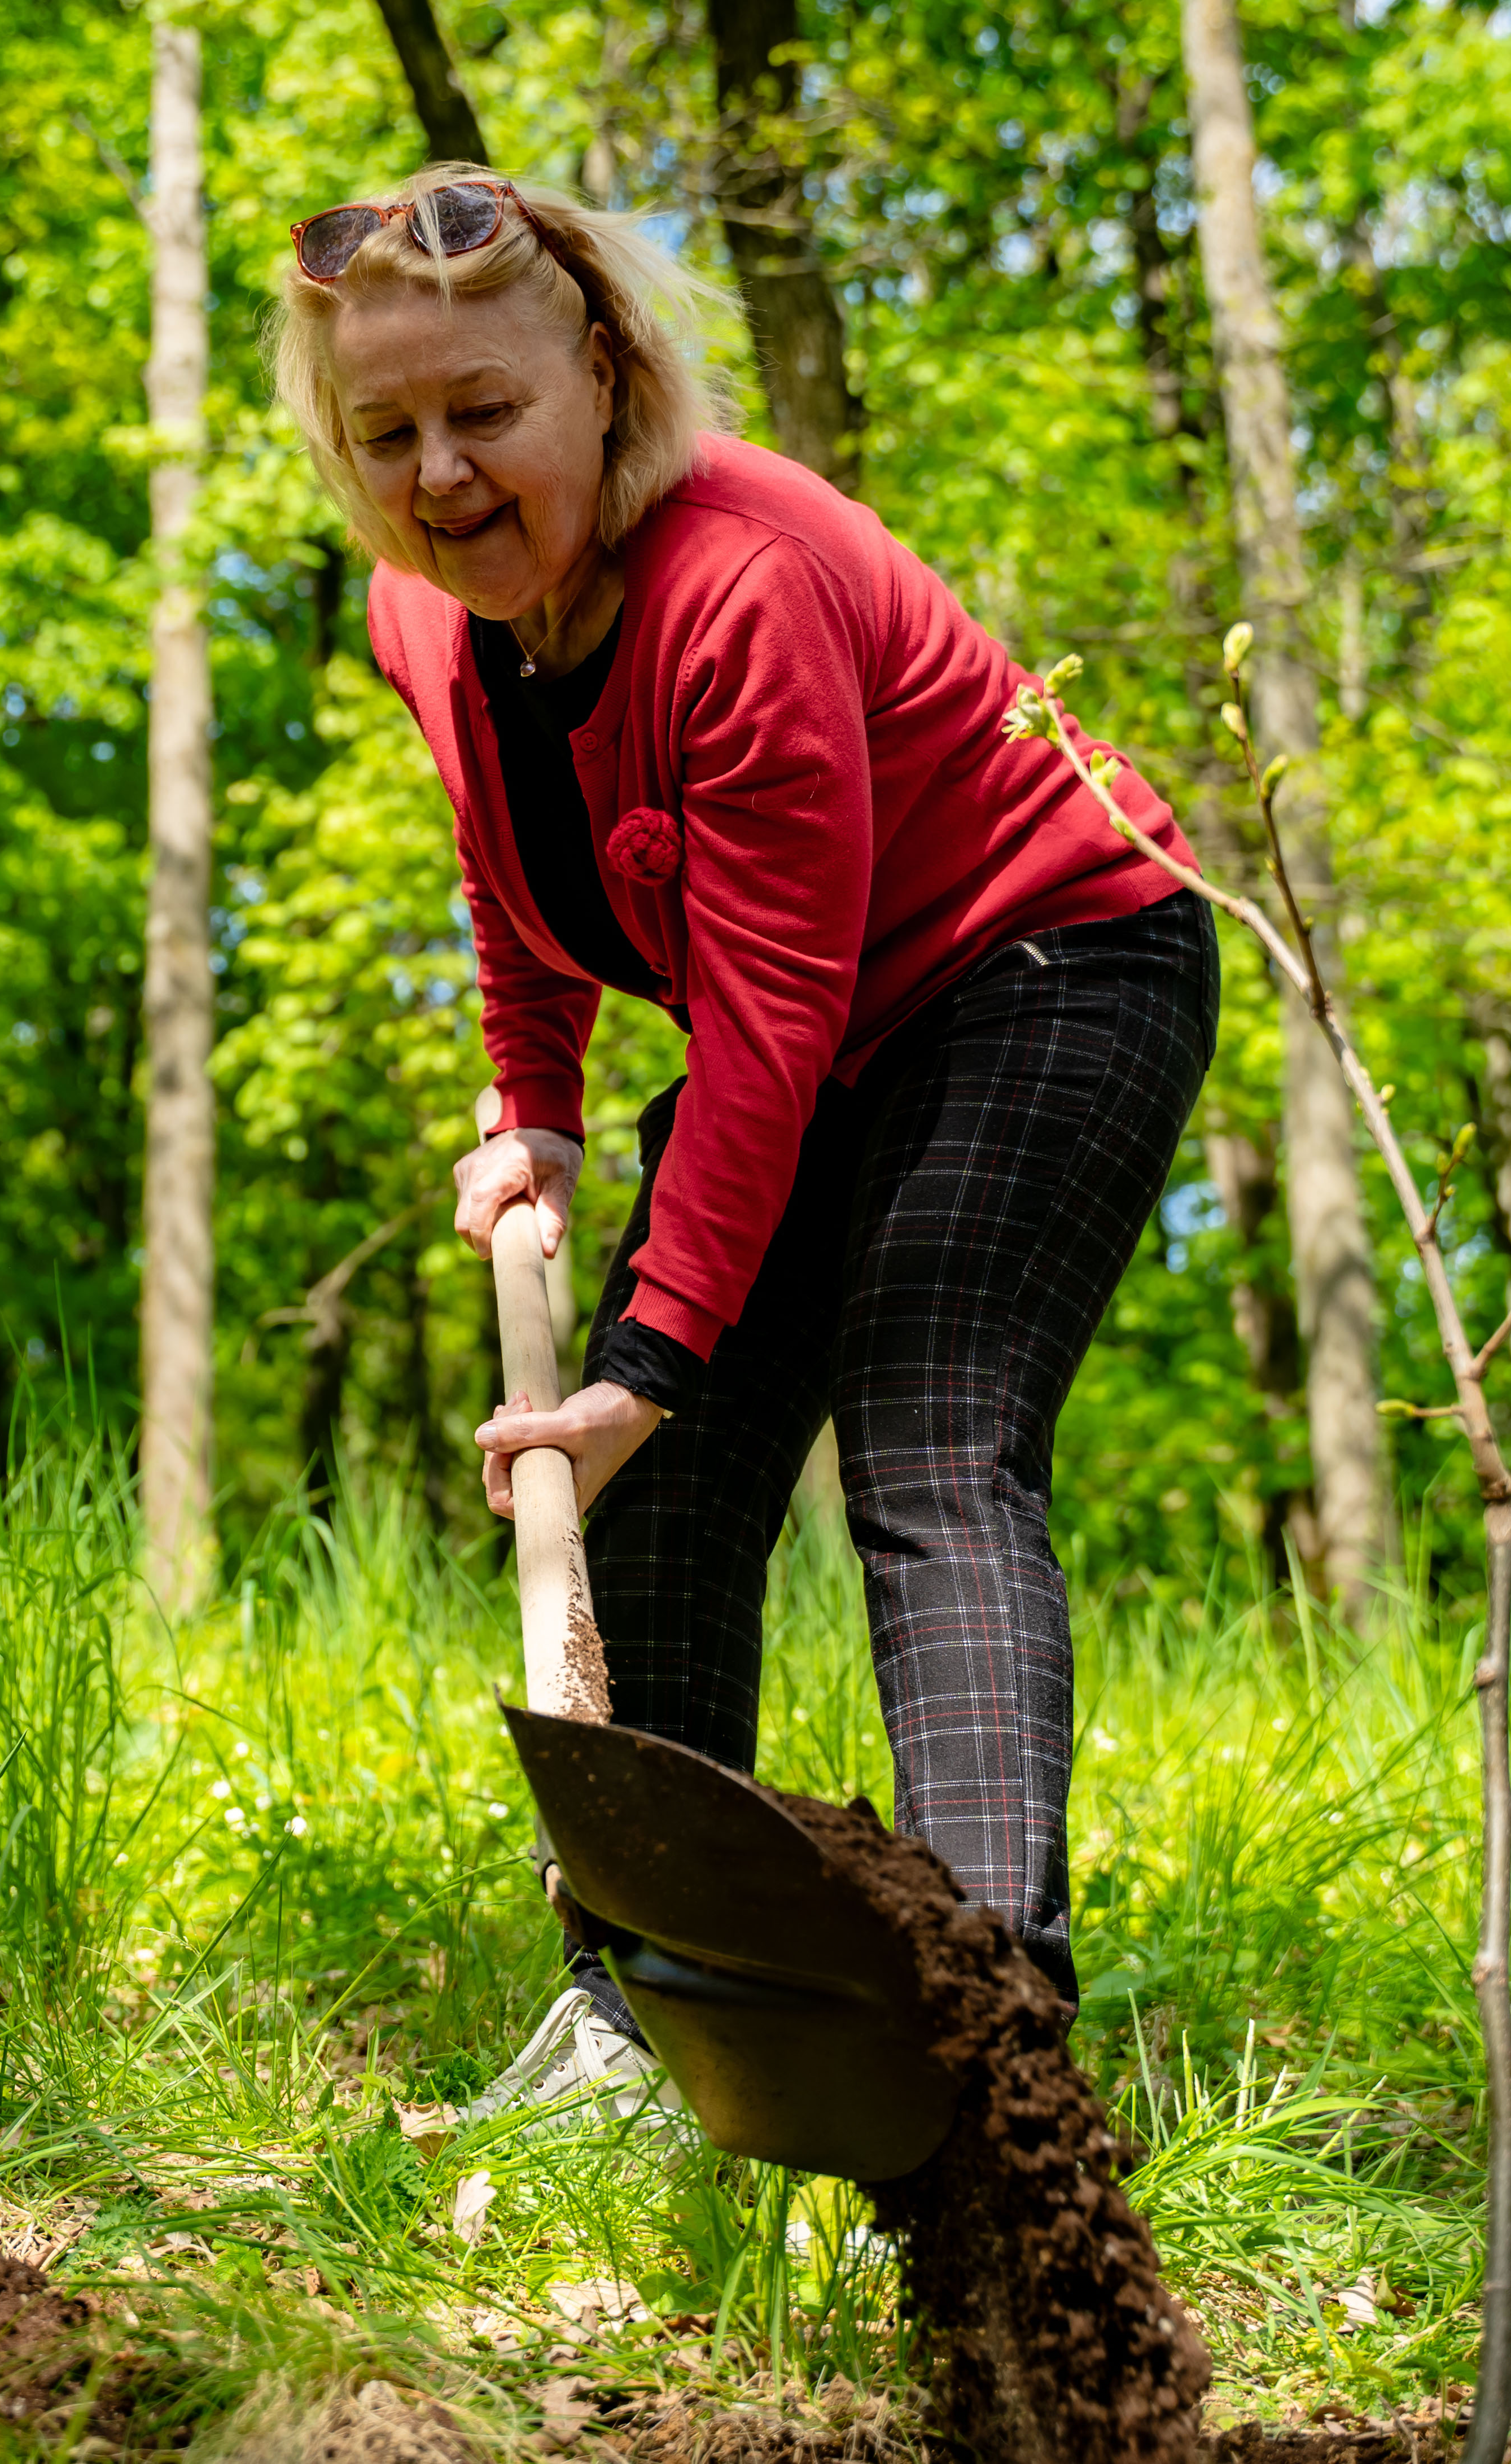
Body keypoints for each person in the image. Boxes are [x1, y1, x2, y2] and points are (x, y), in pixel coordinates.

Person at [271, 167, 1217, 2124]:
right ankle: (653, 2031)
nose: (437, 473)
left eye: (484, 411)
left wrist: (642, 1359)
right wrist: (533, 1103)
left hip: (1052, 954)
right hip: (825, 1019)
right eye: (386, 431)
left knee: (929, 1434)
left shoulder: (739, 578)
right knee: (661, 1492)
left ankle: (985, 2056)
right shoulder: (425, 612)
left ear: (605, 379)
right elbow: (506, 859)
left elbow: (770, 1013)